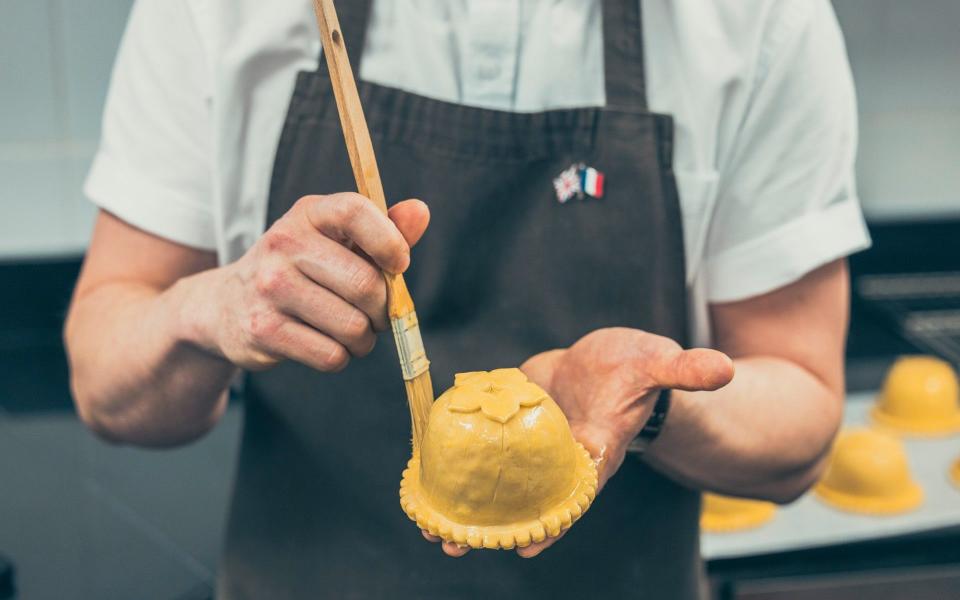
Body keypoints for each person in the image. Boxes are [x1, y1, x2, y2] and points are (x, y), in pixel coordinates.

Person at [64, 0, 870, 598]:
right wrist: (209, 312)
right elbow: (105, 385)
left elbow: (800, 426)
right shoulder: (221, 14)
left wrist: (653, 403)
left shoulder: (759, 22)